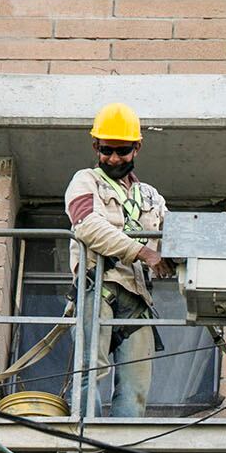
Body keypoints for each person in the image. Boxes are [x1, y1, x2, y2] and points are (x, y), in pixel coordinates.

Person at [65, 103, 171, 417]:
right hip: (99, 288)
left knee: (137, 387)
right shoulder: (85, 182)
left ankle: (123, 448)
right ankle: (86, 439)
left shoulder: (151, 196)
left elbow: (174, 236)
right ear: (95, 146)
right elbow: (87, 226)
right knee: (89, 372)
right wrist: (145, 252)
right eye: (106, 150)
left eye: (122, 151)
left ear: (137, 148)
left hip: (137, 299)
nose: (113, 158)